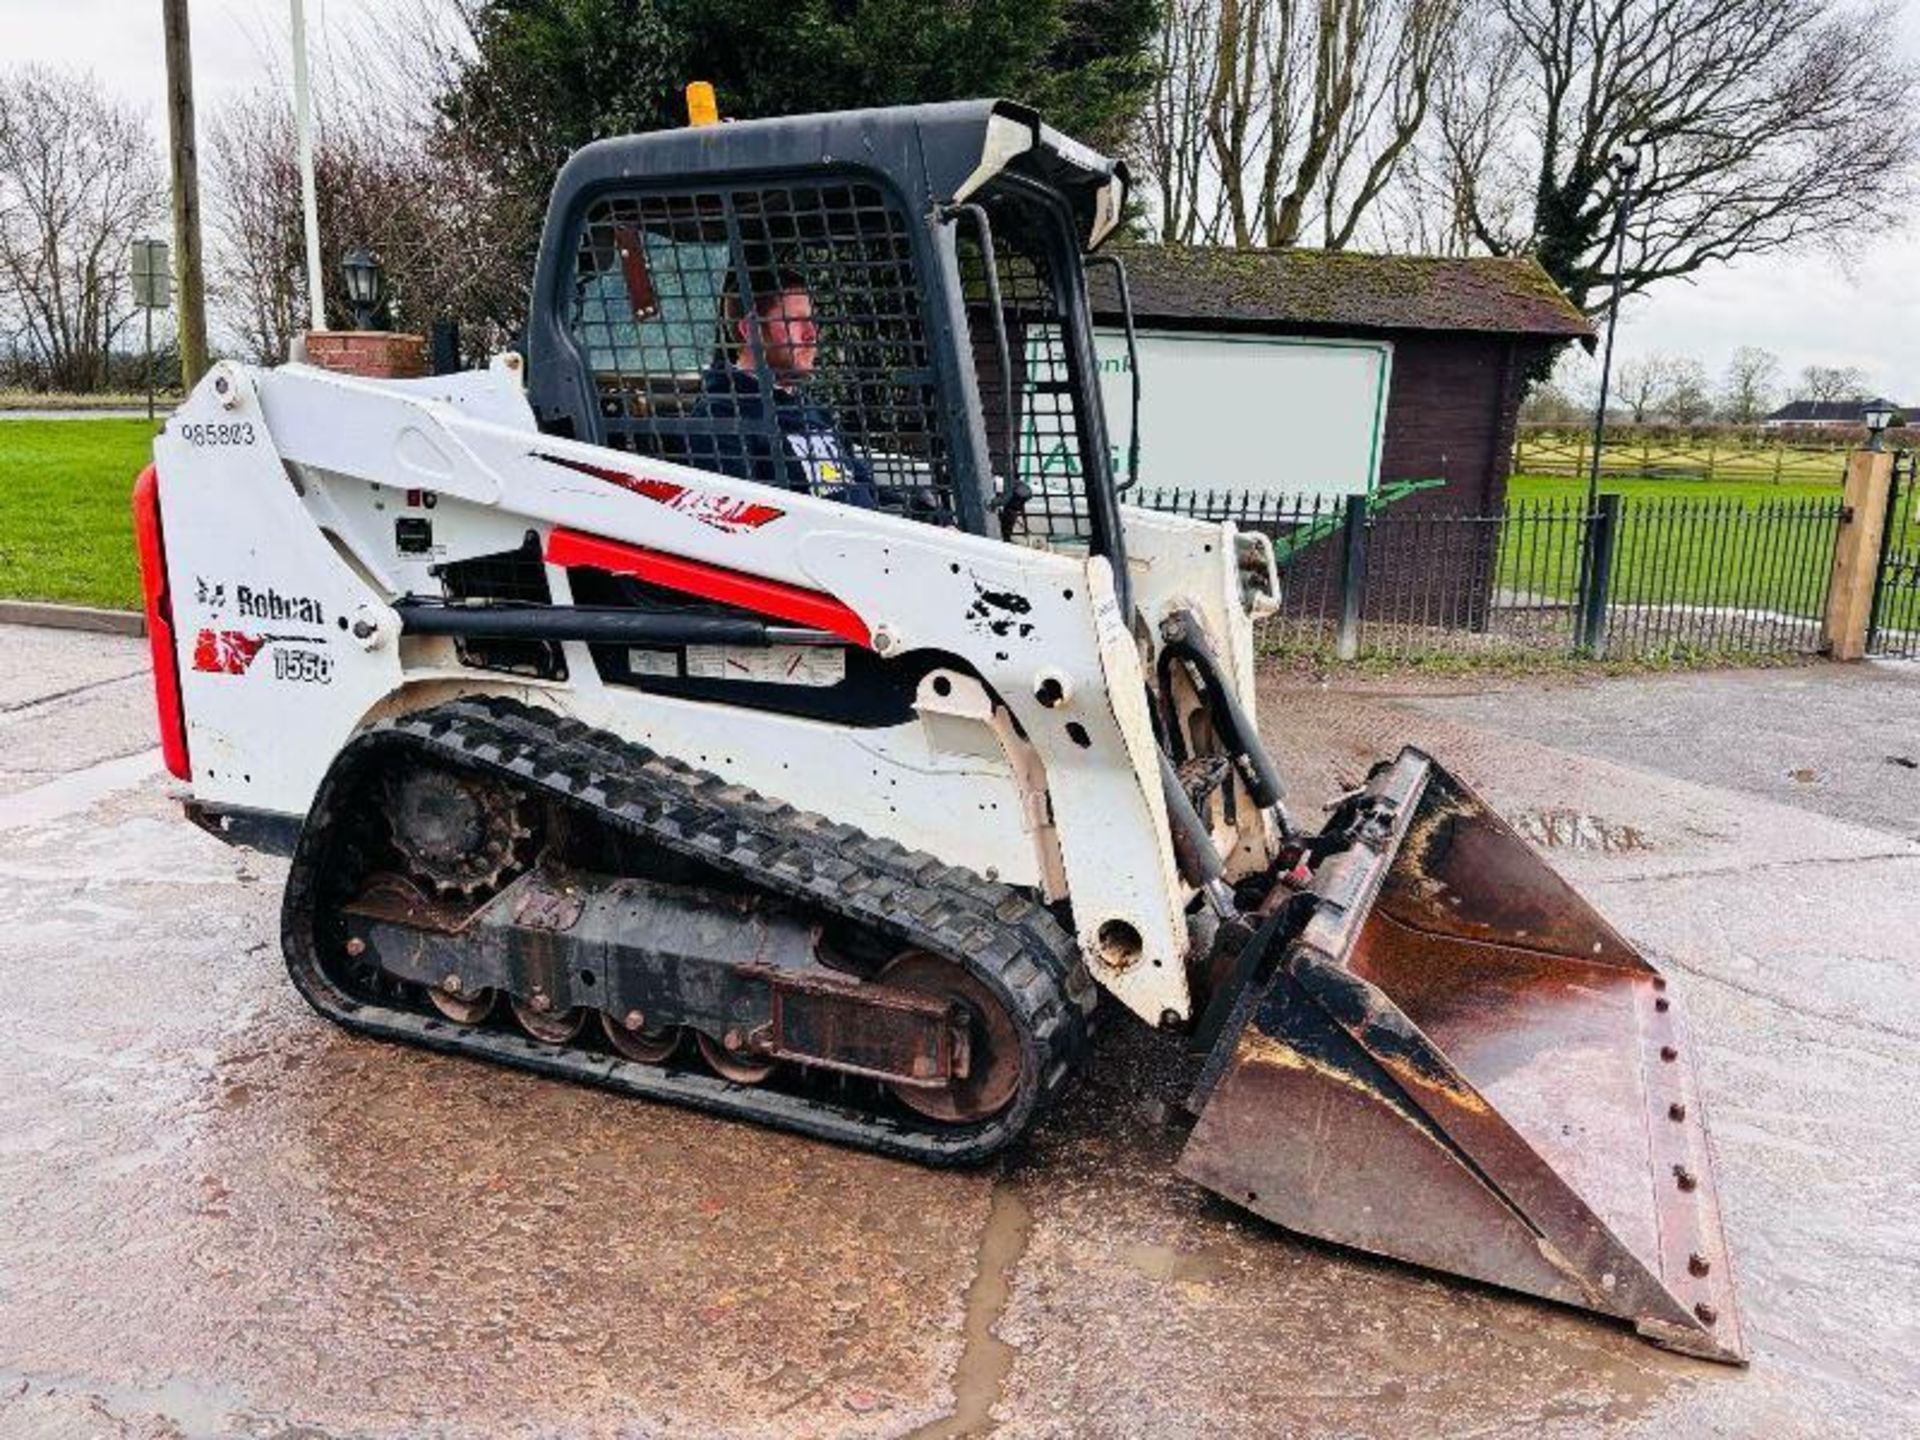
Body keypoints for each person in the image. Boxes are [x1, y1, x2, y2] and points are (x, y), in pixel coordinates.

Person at [686, 267, 878, 507]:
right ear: (751, 330)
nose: (812, 335)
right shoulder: (722, 419)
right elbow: (742, 524)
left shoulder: (813, 410)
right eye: (796, 321)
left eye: (812, 321)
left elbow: (866, 490)